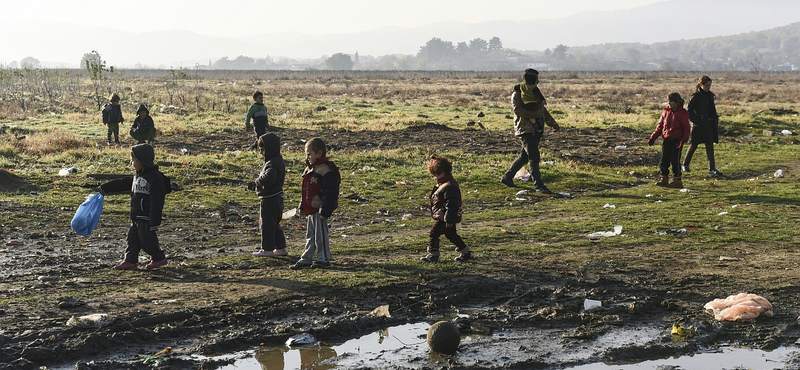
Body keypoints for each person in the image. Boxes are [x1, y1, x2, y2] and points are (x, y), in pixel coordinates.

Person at [99, 143, 171, 270]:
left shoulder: (155, 178)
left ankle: (159, 258)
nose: (131, 163)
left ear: (142, 161)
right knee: (132, 240)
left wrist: (154, 221)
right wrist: (104, 188)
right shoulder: (138, 177)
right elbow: (123, 183)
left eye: (133, 160)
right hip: (136, 216)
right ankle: (130, 260)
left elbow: (156, 201)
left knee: (147, 240)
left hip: (146, 218)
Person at [501, 69, 561, 193]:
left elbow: (543, 111)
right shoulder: (517, 94)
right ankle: (539, 186)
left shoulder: (534, 93)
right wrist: (534, 114)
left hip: (536, 129)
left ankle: (507, 177)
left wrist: (552, 123)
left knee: (524, 156)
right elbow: (518, 110)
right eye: (536, 79)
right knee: (534, 157)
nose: (538, 81)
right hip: (525, 129)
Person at [291, 137, 340, 270]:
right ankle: (307, 258)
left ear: (318, 153)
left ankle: (323, 258)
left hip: (319, 210)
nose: (307, 157)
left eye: (309, 154)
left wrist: (325, 209)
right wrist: (302, 206)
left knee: (321, 235)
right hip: (311, 209)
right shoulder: (310, 170)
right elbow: (306, 190)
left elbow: (331, 192)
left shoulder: (326, 170)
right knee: (310, 235)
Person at [421, 154, 472, 263]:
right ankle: (465, 252)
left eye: (436, 175)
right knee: (451, 234)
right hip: (446, 216)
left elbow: (452, 204)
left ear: (442, 172)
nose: (435, 177)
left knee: (433, 234)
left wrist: (449, 219)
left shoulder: (448, 186)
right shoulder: (446, 184)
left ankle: (433, 255)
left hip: (444, 216)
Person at [252, 133, 288, 258]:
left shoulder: (272, 163)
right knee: (275, 223)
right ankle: (280, 247)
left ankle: (267, 249)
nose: (261, 153)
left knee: (267, 224)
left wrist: (258, 181)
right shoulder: (278, 160)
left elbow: (269, 178)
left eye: (262, 150)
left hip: (269, 199)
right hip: (277, 198)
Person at [648, 93, 691, 188]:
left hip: (677, 140)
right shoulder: (665, 112)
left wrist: (683, 140)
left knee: (675, 160)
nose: (669, 103)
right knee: (664, 160)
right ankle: (664, 178)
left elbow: (686, 129)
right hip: (667, 139)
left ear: (676, 102)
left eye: (671, 101)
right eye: (669, 101)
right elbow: (660, 127)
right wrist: (653, 138)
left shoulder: (682, 114)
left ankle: (677, 180)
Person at [683, 75, 722, 176]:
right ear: (701, 85)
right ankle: (685, 164)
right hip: (698, 126)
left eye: (710, 85)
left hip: (709, 124)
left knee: (709, 146)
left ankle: (712, 168)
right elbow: (689, 111)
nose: (708, 87)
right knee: (693, 145)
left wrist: (714, 120)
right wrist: (697, 121)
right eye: (707, 85)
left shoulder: (710, 96)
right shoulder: (695, 97)